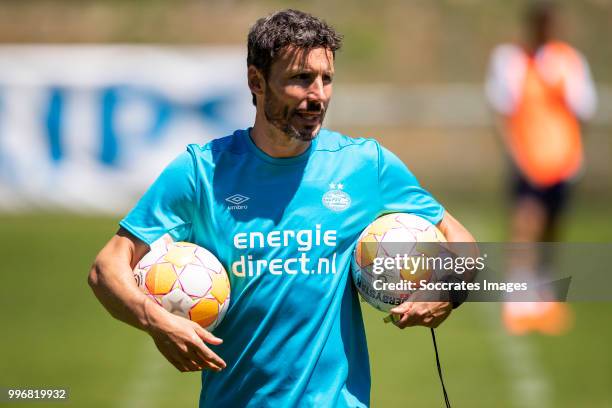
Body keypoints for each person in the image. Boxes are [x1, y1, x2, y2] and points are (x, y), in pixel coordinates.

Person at [88, 9, 475, 407]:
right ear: (257, 81)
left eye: (326, 79)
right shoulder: (200, 172)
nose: (318, 95)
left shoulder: (365, 166)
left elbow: (462, 241)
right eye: (301, 79)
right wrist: (158, 322)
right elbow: (106, 269)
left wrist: (449, 290)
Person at [485, 1, 597, 335]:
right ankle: (518, 299)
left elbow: (583, 111)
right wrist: (515, 155)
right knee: (526, 225)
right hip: (529, 161)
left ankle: (545, 295)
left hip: (562, 161)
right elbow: (502, 111)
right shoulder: (511, 60)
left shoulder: (569, 61)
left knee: (553, 228)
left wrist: (574, 152)